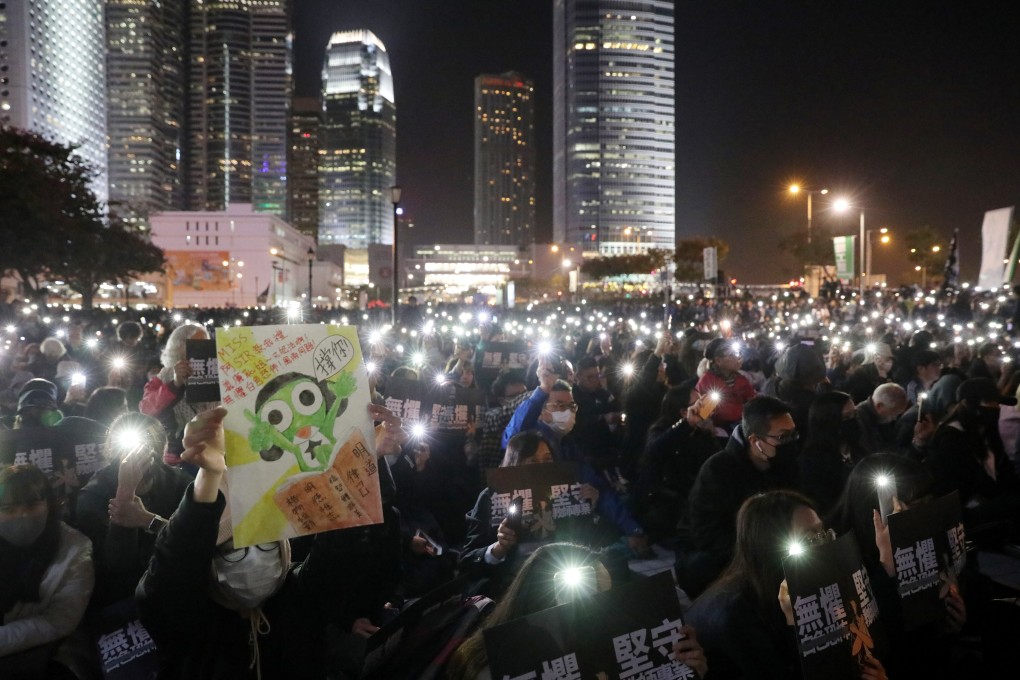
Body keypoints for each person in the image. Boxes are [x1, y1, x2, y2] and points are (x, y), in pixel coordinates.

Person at [135, 403, 406, 680]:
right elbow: (171, 571)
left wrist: (364, 459)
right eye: (232, 550)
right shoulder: (186, 619)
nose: (253, 559)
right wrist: (209, 477)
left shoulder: (300, 596)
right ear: (206, 559)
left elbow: (343, 539)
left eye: (265, 543)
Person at [687, 490, 887, 680]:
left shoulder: (803, 582)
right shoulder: (735, 614)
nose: (824, 545)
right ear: (771, 548)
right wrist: (795, 623)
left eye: (823, 533)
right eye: (809, 538)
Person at [447, 542, 708, 680]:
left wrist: (686, 670)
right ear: (539, 598)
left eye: (607, 595)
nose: (599, 608)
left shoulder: (619, 648)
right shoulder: (493, 668)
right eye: (584, 596)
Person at [678, 396, 800, 599]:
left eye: (794, 434)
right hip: (727, 557)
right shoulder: (718, 471)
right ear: (755, 441)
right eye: (783, 437)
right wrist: (760, 549)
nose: (791, 442)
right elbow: (708, 533)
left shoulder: (786, 463)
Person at [74, 413, 191, 609]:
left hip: (175, 582)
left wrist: (148, 520)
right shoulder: (94, 495)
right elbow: (116, 565)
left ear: (163, 448)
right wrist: (125, 493)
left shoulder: (180, 483)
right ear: (112, 449)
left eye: (150, 443)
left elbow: (194, 541)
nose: (142, 453)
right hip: (122, 595)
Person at [0, 465, 94, 679]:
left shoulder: (75, 549)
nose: (22, 515)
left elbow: (61, 619)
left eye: (32, 504)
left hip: (37, 661)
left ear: (49, 504)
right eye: (8, 509)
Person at [925, 377, 1020, 544]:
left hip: (992, 502)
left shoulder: (986, 432)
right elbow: (967, 483)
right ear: (969, 404)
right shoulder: (951, 437)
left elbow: (1004, 472)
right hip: (963, 512)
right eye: (990, 403)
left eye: (997, 403)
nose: (996, 408)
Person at [635, 382, 719, 540]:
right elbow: (655, 449)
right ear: (683, 411)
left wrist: (707, 435)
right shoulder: (660, 429)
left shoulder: (701, 430)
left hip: (695, 495)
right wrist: (686, 425)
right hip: (668, 502)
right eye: (697, 402)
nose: (702, 404)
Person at [140, 323, 217, 464]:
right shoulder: (165, 376)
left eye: (206, 343)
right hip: (180, 454)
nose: (203, 349)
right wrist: (175, 384)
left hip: (217, 447)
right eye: (196, 344)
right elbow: (146, 408)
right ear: (180, 347)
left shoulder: (219, 371)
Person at [798, 391, 868, 517]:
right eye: (846, 418)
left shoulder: (857, 448)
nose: (853, 421)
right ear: (828, 422)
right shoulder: (813, 461)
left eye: (855, 414)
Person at [695, 337, 756, 431]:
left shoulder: (741, 378)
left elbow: (752, 399)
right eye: (731, 355)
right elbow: (704, 414)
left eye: (736, 353)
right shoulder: (707, 383)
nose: (737, 357)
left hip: (744, 422)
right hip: (722, 428)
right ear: (718, 361)